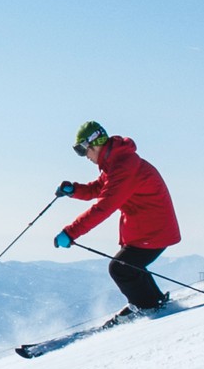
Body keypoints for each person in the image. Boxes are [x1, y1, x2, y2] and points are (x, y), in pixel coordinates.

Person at [54, 121, 182, 318]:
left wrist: (71, 232)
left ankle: (149, 309)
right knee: (130, 266)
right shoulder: (116, 163)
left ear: (94, 143)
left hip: (153, 231)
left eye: (82, 150)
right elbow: (99, 189)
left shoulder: (123, 167)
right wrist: (74, 190)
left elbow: (104, 206)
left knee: (120, 268)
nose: (84, 156)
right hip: (149, 229)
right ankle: (153, 303)